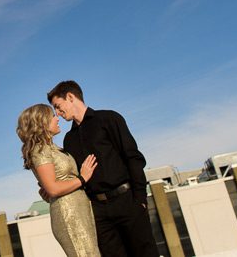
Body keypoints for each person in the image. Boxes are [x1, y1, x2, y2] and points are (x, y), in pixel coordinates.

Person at [47, 80, 158, 257]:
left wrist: (140, 200)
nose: (58, 114)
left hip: (128, 202)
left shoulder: (109, 118)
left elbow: (133, 158)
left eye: (58, 107)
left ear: (70, 97)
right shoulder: (69, 139)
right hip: (98, 213)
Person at [17, 104, 101, 257]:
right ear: (42, 123)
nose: (57, 118)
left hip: (79, 209)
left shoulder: (53, 148)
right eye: (52, 116)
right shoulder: (40, 150)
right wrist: (83, 178)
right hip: (69, 214)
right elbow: (53, 189)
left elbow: (52, 188)